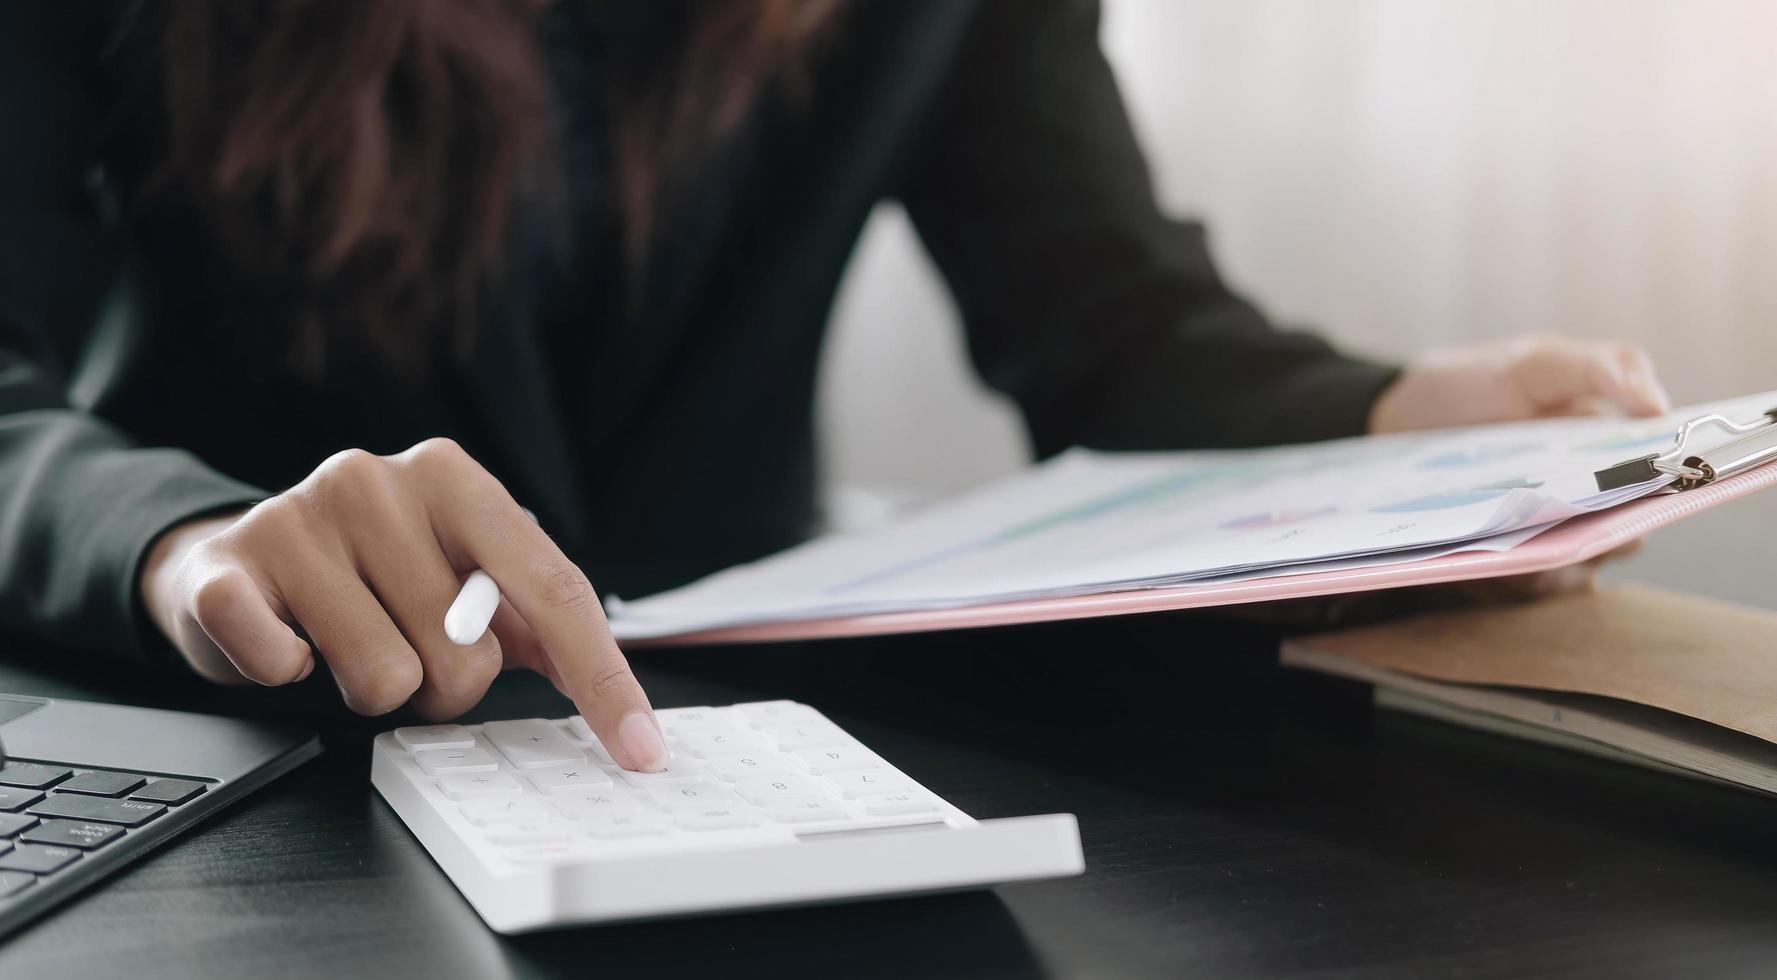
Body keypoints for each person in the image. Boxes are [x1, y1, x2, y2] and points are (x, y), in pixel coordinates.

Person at [0, 1, 1669, 773]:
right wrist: (183, 539)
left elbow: (1109, 320)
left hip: (743, 749)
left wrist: (1382, 414)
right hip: (251, 761)